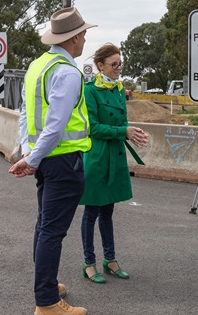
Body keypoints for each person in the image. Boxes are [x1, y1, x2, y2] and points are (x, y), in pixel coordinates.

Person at [8, 7, 96, 315]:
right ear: (73, 38)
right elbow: (56, 126)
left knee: (44, 224)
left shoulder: (37, 66)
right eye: (83, 34)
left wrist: (29, 153)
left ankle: (46, 282)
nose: (85, 38)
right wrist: (32, 158)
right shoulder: (68, 72)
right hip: (63, 161)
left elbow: (25, 115)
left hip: (45, 160)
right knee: (52, 231)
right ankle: (46, 302)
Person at [80, 43, 148, 284]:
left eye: (120, 64)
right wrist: (124, 132)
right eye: (114, 64)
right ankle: (89, 263)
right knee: (92, 212)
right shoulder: (90, 90)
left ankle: (110, 260)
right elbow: (93, 128)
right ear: (100, 66)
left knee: (108, 211)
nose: (119, 68)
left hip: (115, 156)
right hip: (97, 157)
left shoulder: (120, 89)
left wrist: (133, 133)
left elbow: (123, 122)